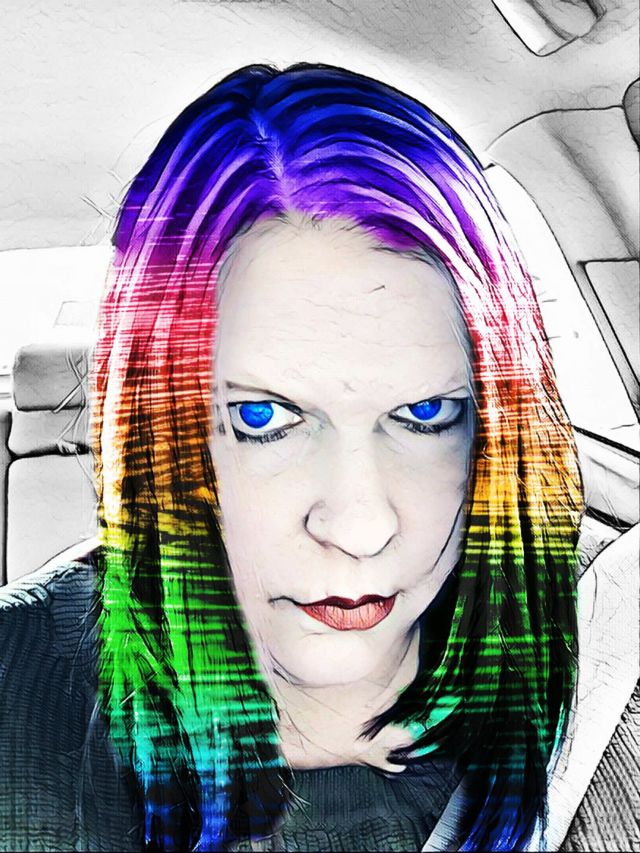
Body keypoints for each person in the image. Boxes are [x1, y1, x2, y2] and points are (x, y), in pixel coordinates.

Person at [0, 63, 590, 852]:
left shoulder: (608, 695)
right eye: (262, 417)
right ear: (156, 432)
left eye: (424, 413)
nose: (359, 525)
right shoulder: (15, 707)